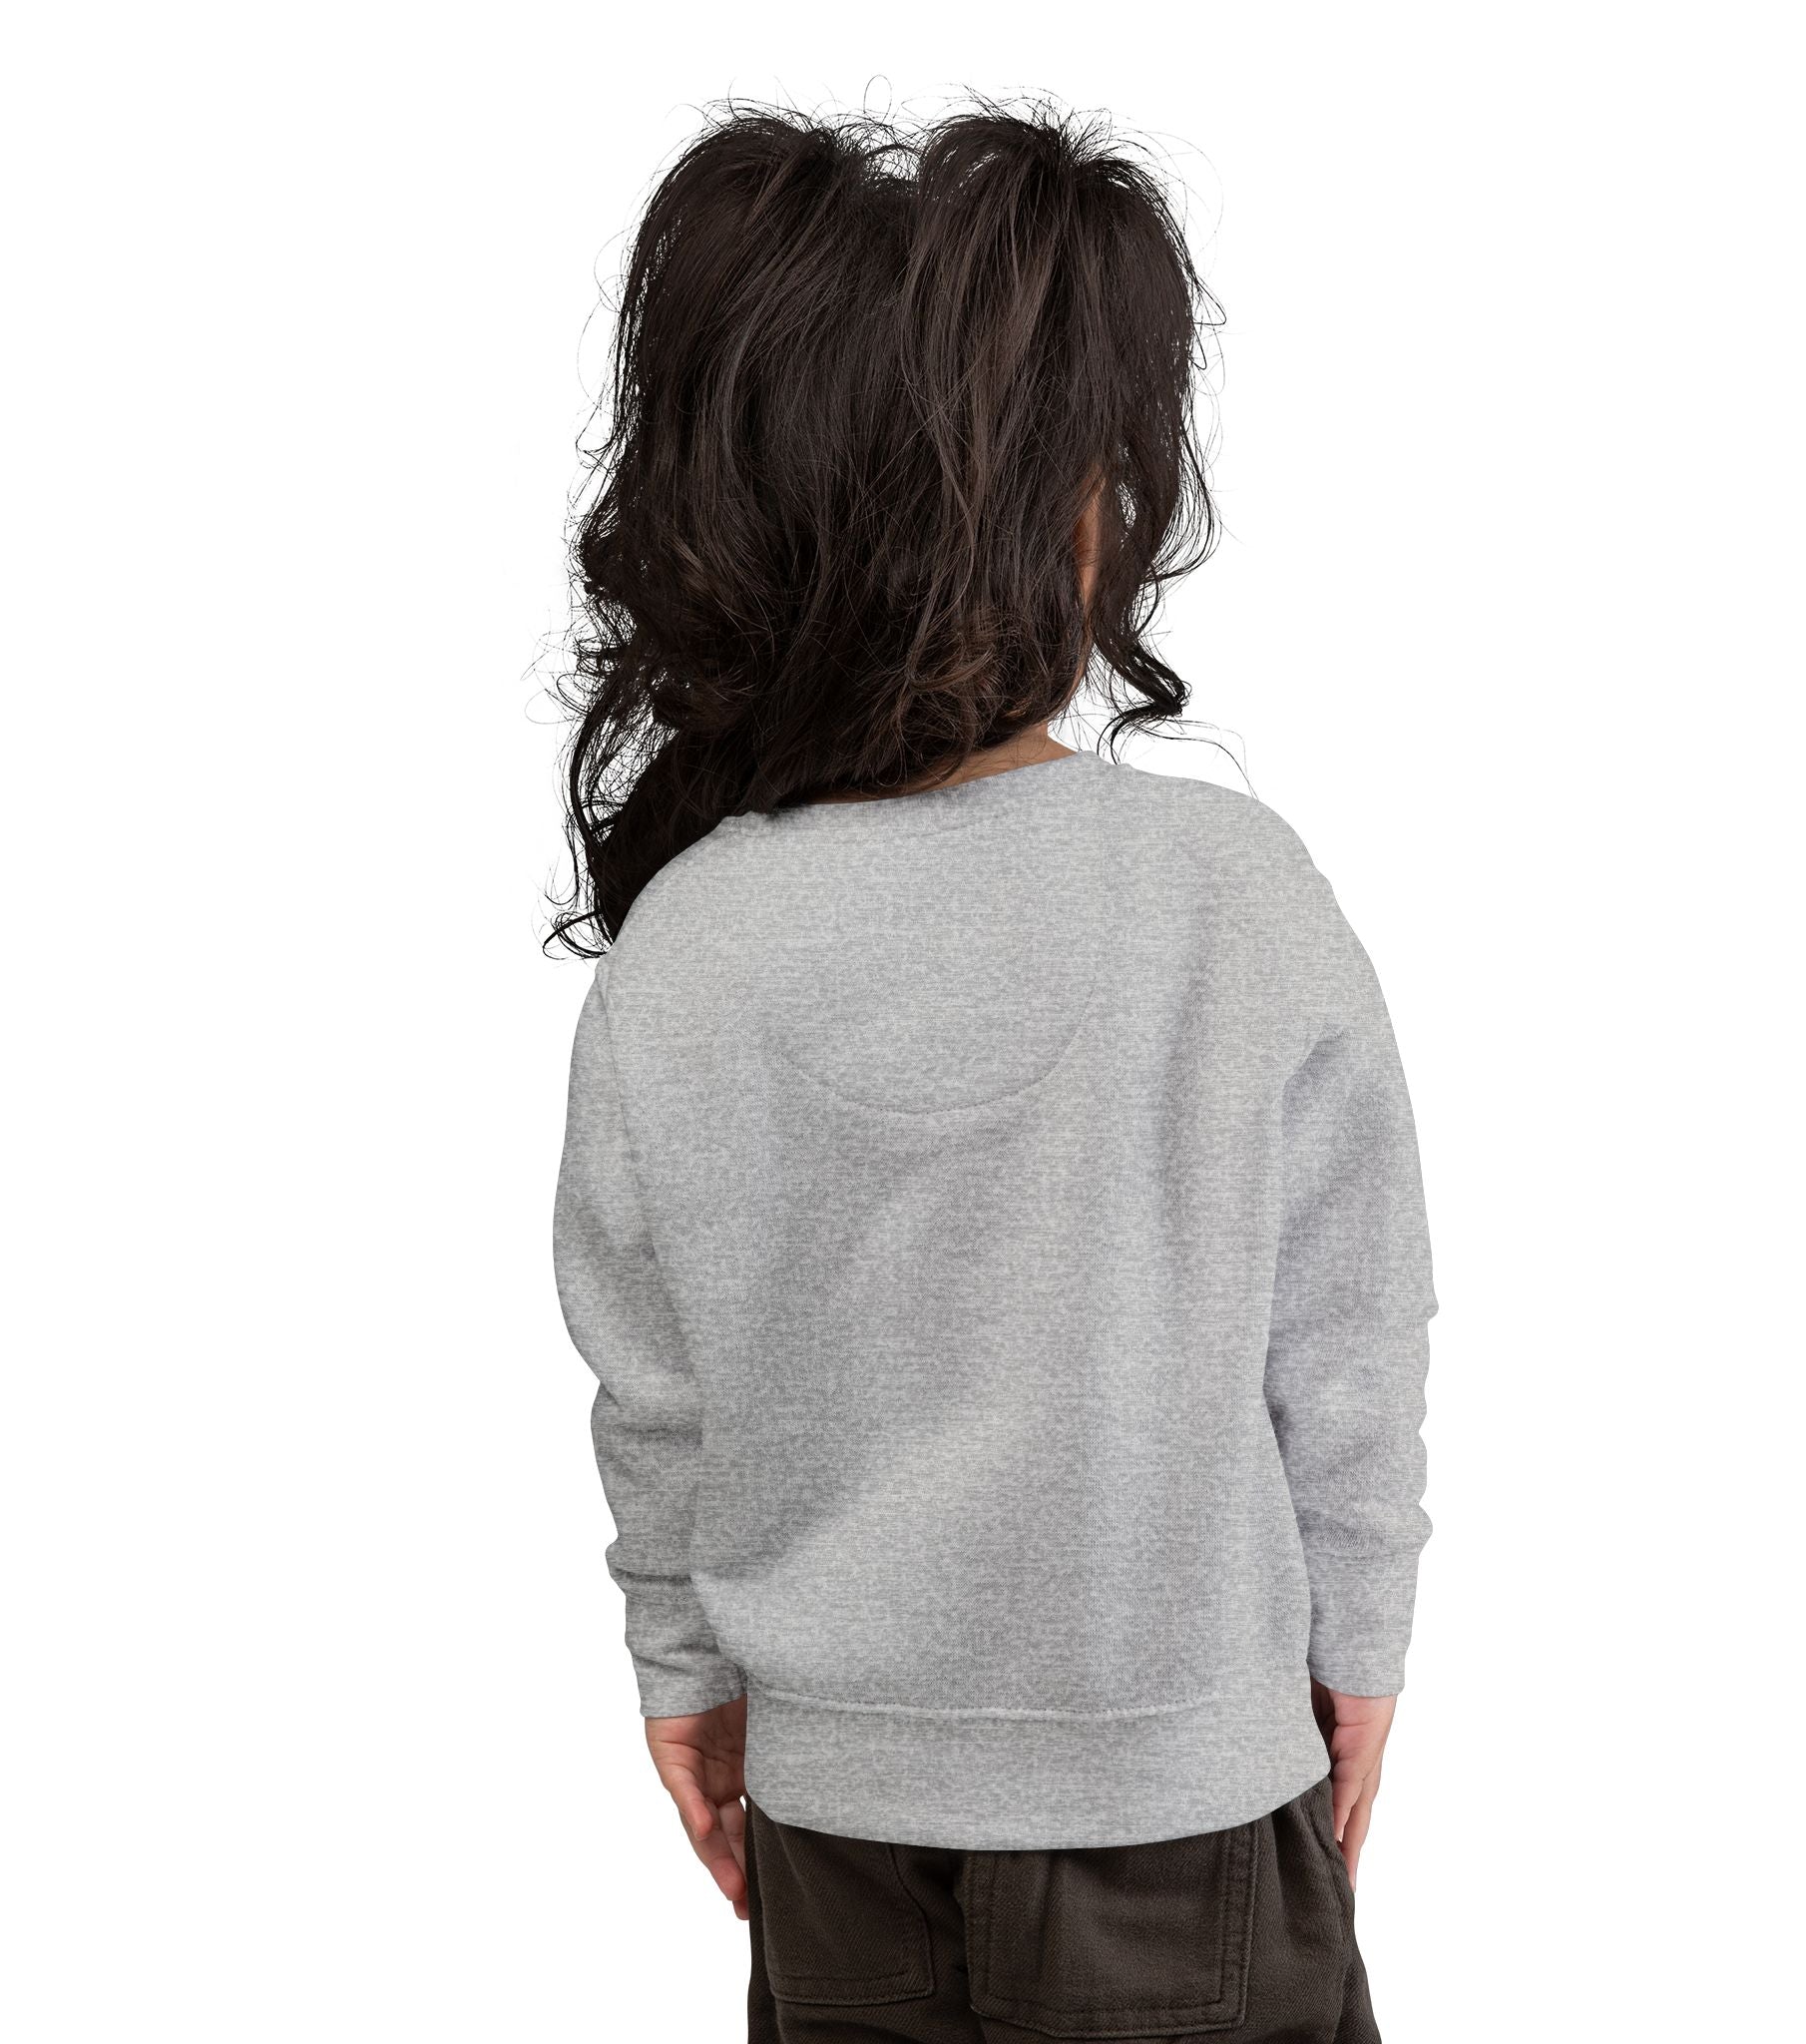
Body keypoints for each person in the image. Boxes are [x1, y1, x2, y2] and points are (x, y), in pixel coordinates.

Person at [550, 98, 1436, 2043]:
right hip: (1183, 1808)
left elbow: (657, 1389)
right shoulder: (1225, 892)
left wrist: (686, 1666)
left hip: (840, 1830)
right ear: (1078, 512)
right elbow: (1350, 1336)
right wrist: (1358, 1634)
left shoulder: (690, 940)